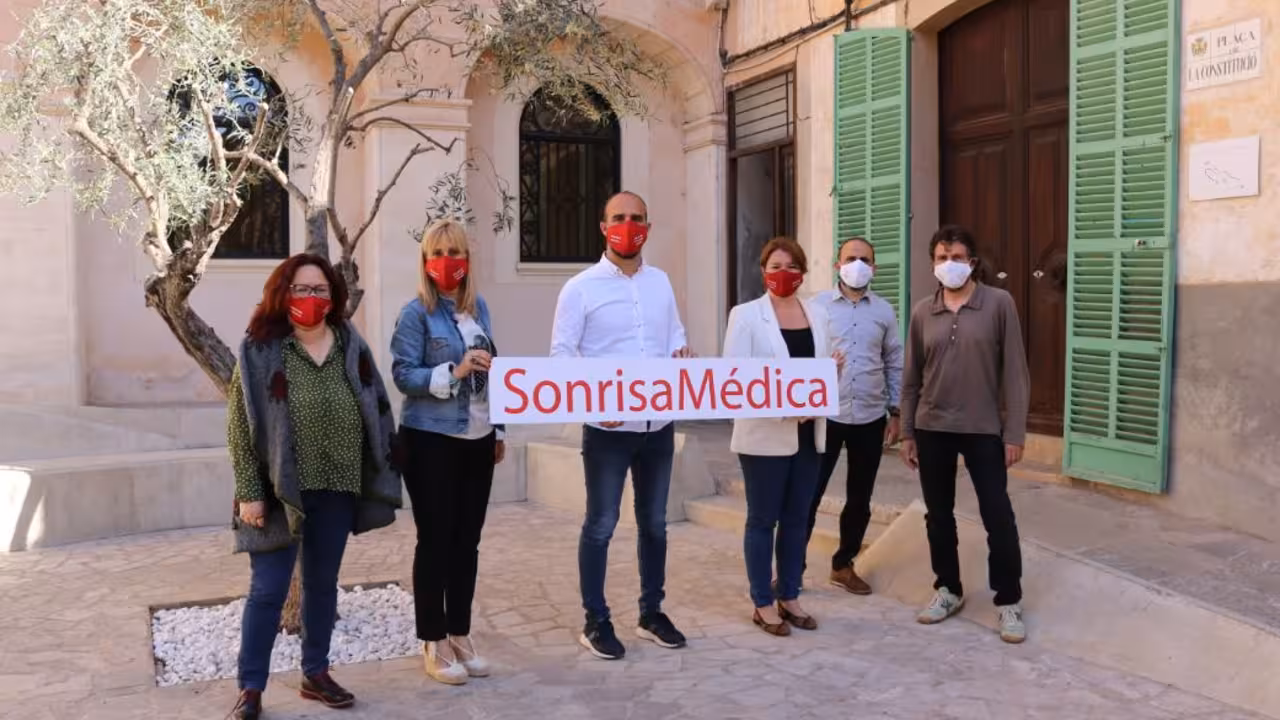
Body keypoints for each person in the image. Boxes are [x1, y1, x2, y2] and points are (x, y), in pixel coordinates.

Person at [227, 254, 402, 720]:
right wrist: (250, 490)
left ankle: (315, 672)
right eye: (301, 289)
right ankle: (250, 689)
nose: (311, 298)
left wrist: (385, 466)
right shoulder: (259, 349)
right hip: (278, 491)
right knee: (268, 590)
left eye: (320, 289)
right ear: (283, 293)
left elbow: (378, 403)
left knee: (322, 586)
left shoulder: (350, 343)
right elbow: (240, 426)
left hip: (338, 485)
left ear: (333, 295)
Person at [549, 190, 693, 660]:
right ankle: (596, 620)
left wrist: (682, 357)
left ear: (647, 227)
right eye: (618, 218)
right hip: (608, 430)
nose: (627, 226)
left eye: (637, 218)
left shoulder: (662, 283)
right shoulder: (580, 288)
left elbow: (675, 339)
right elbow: (562, 356)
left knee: (655, 524)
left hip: (659, 427)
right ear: (603, 226)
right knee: (601, 524)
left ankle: (652, 613)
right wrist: (592, 404)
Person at [899, 224, 1030, 644]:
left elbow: (1015, 372)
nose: (949, 264)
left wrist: (1014, 432)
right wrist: (907, 432)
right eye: (942, 257)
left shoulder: (999, 304)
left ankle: (1008, 600)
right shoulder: (923, 311)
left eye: (957, 257)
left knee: (997, 515)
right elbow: (911, 379)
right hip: (932, 426)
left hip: (983, 429)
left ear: (972, 262)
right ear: (932, 263)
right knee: (938, 515)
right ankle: (948, 589)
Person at [391, 219, 506, 686]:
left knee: (467, 541)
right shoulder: (415, 314)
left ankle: (460, 631)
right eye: (438, 253)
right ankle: (432, 638)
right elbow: (403, 375)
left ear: (467, 260)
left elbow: (495, 373)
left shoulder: (479, 308)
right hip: (430, 440)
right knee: (435, 540)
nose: (447, 261)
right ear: (425, 261)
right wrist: (453, 371)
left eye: (455, 252)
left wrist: (499, 429)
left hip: (479, 439)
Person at [723, 236, 842, 636]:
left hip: (810, 435)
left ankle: (789, 595)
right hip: (764, 436)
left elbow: (823, 370)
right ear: (763, 271)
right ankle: (762, 602)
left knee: (796, 519)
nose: (783, 273)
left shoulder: (818, 314)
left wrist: (832, 374)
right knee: (762, 519)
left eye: (791, 266)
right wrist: (787, 408)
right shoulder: (745, 315)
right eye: (775, 266)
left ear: (803, 273)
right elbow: (735, 378)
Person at [805, 237, 903, 595]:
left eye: (864, 259)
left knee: (860, 498)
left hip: (870, 417)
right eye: (850, 259)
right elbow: (802, 357)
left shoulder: (884, 311)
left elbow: (894, 360)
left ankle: (843, 564)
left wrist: (896, 411)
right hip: (825, 416)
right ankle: (791, 567)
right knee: (809, 493)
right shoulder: (816, 307)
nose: (857, 265)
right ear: (837, 265)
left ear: (873, 268)